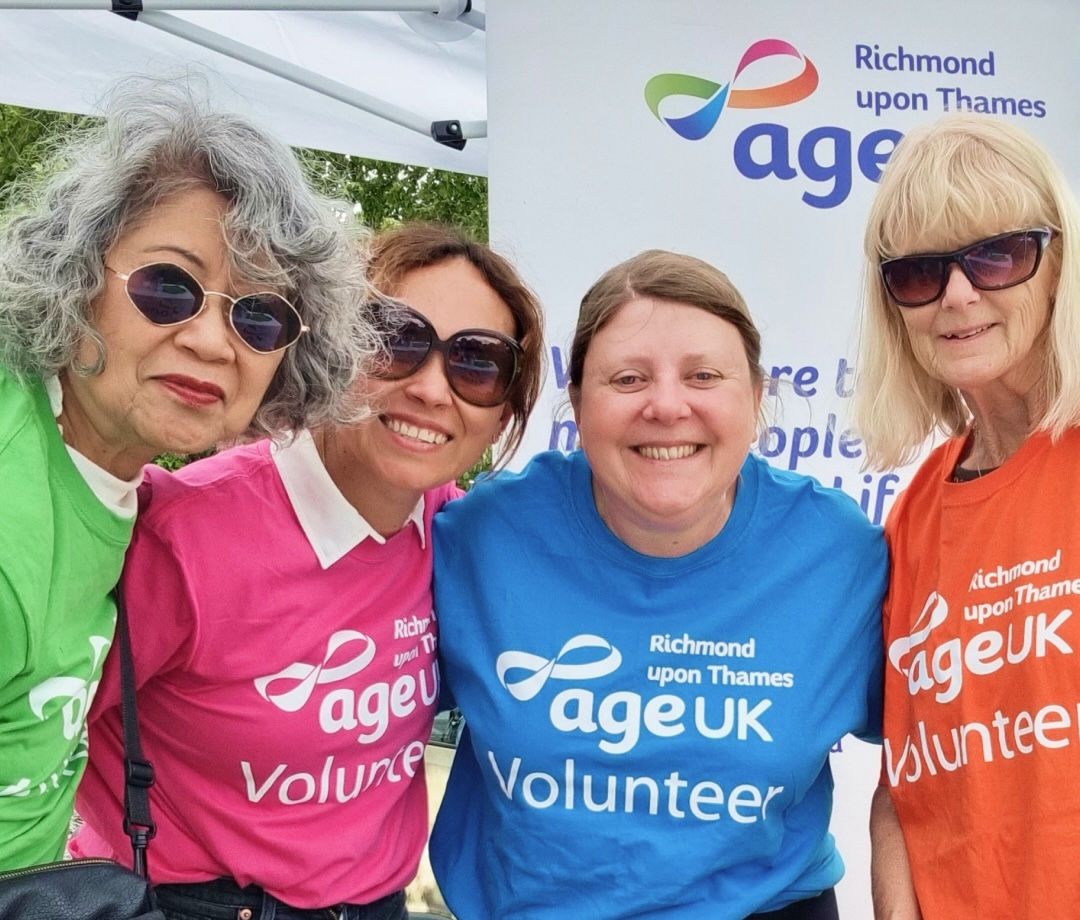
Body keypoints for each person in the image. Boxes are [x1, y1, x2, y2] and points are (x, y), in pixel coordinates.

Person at [72, 223, 544, 920]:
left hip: (378, 903)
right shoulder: (185, 538)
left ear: (503, 410)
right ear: (329, 350)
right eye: (394, 339)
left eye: (476, 364)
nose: (431, 388)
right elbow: (35, 725)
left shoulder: (458, 534)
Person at [430, 249, 887, 920]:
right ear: (579, 403)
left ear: (756, 399)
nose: (667, 406)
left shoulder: (838, 556)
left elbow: (939, 760)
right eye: (628, 378)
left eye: (704, 375)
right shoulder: (479, 539)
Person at [0, 76, 372, 871]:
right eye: (168, 286)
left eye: (258, 314)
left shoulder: (102, 469)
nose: (212, 341)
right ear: (71, 274)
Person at [854, 113, 1080, 920]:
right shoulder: (912, 514)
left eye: (999, 255)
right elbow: (905, 781)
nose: (957, 295)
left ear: (1059, 268)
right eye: (918, 271)